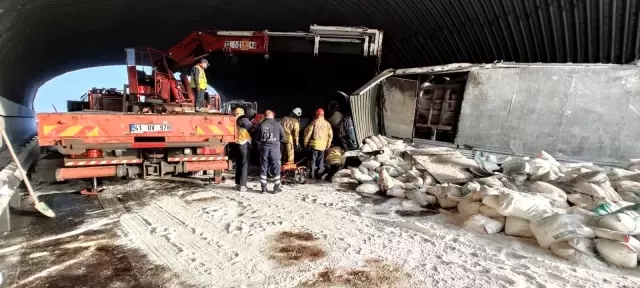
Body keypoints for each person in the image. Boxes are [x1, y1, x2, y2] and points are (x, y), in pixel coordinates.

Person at [254, 110, 285, 193]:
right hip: (275, 149)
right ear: (273, 116)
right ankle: (276, 188)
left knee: (264, 167)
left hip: (264, 149)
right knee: (276, 167)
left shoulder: (260, 125)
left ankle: (264, 189)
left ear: (264, 116)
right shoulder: (278, 125)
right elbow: (283, 137)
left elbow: (256, 139)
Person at [303, 108, 333, 180]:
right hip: (323, 146)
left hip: (314, 145)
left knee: (313, 160)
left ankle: (312, 174)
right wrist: (328, 145)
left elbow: (308, 133)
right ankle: (319, 174)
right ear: (323, 115)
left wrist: (305, 143)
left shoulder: (314, 122)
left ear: (317, 115)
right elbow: (330, 136)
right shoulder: (327, 124)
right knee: (320, 160)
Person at [233, 107, 253, 192]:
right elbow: (251, 127)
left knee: (239, 164)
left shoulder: (232, 119)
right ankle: (243, 186)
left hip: (237, 144)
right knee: (245, 165)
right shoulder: (243, 119)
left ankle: (238, 184)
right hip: (244, 143)